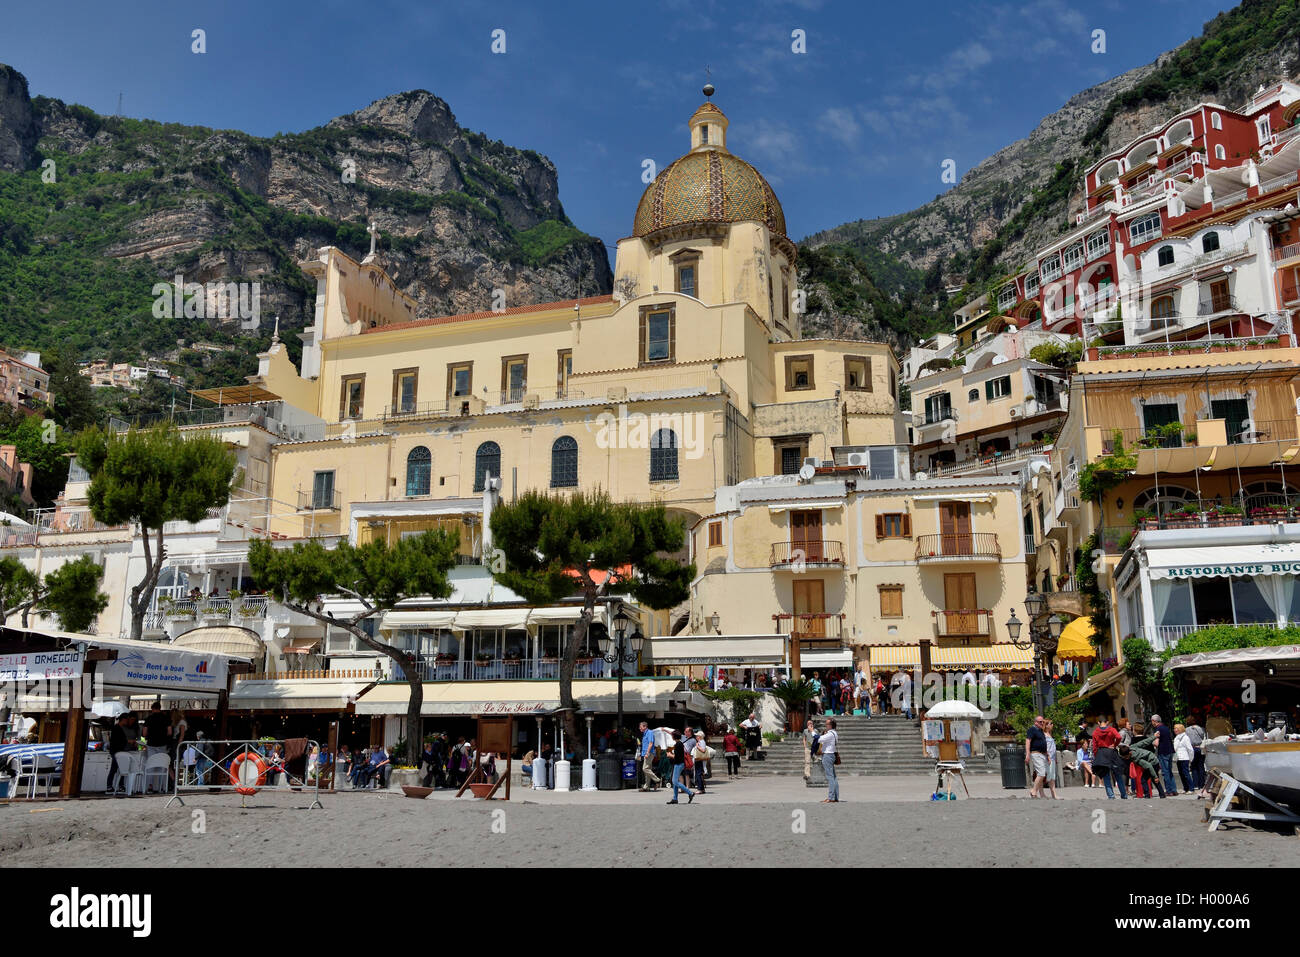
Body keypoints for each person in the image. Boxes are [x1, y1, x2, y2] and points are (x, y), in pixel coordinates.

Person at [1090, 717, 1127, 800]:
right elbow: (1118, 737)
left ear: (1099, 723)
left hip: (1102, 753)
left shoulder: (1096, 732)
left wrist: (1097, 756)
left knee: (1106, 775)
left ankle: (1111, 796)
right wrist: (1115, 744)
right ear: (1107, 722)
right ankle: (1124, 795)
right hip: (1111, 752)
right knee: (1117, 774)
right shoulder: (1111, 729)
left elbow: (1094, 746)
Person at [1150, 714, 1179, 796]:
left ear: (1154, 721)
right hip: (1170, 751)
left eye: (1152, 721)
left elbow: (1156, 743)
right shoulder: (1166, 728)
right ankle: (1174, 790)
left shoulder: (1158, 729)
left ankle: (1169, 790)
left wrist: (1150, 741)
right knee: (1169, 771)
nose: (1152, 723)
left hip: (1163, 752)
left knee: (1165, 772)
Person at [1024, 715, 1049, 798]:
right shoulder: (1032, 729)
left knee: (1040, 773)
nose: (1042, 723)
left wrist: (1047, 755)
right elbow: (1028, 741)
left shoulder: (1040, 731)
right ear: (1035, 722)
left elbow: (1043, 743)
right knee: (1041, 773)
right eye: (1040, 722)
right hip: (1036, 753)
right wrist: (1027, 754)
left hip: (1042, 754)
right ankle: (1033, 791)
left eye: (1043, 721)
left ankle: (1041, 794)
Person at [666, 731, 693, 804]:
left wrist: (670, 755)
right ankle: (675, 798)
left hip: (678, 764)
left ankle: (690, 793)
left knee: (674, 781)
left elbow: (677, 757)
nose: (671, 737)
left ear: (674, 736)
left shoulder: (678, 744)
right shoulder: (679, 743)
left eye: (672, 735)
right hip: (679, 764)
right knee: (675, 782)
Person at [107, 713, 131, 792]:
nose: (127, 721)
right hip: (117, 751)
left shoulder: (117, 728)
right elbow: (118, 741)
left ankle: (114, 785)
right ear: (123, 720)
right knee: (115, 769)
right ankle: (112, 786)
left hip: (116, 751)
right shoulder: (117, 728)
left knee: (117, 769)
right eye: (127, 720)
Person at [1184, 718, 1207, 792]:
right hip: (1200, 748)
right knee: (1201, 766)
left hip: (1192, 748)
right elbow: (1203, 736)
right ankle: (1202, 784)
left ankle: (1195, 784)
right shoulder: (1201, 729)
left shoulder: (1186, 730)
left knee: (1194, 766)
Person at [820, 717, 840, 802]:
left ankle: (831, 797)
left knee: (830, 777)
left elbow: (819, 739)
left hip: (828, 755)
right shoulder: (835, 733)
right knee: (834, 777)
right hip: (832, 755)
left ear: (831, 725)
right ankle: (835, 797)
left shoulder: (830, 734)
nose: (826, 725)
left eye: (827, 724)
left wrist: (812, 731)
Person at [638, 721, 661, 791]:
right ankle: (646, 786)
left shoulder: (649, 732)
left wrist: (647, 753)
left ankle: (657, 780)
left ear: (645, 727)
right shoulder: (645, 734)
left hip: (649, 753)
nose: (639, 728)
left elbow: (651, 743)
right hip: (645, 753)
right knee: (648, 769)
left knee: (645, 768)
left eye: (640, 727)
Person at [1173, 723, 1195, 795]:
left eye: (1176, 728)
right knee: (1181, 774)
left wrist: (1190, 759)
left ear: (1180, 729)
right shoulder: (1176, 737)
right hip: (1178, 758)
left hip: (1184, 758)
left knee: (1186, 773)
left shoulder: (1185, 738)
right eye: (1174, 728)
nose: (1175, 730)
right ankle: (1185, 788)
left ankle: (1191, 788)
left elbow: (1190, 749)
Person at [1043, 719, 1060, 800]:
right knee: (1044, 776)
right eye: (1051, 723)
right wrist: (1048, 757)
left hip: (1052, 758)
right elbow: (1045, 747)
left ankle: (1054, 794)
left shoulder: (1050, 734)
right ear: (1046, 725)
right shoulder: (1044, 735)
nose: (1052, 725)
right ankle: (1038, 792)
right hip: (1047, 758)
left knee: (1052, 777)